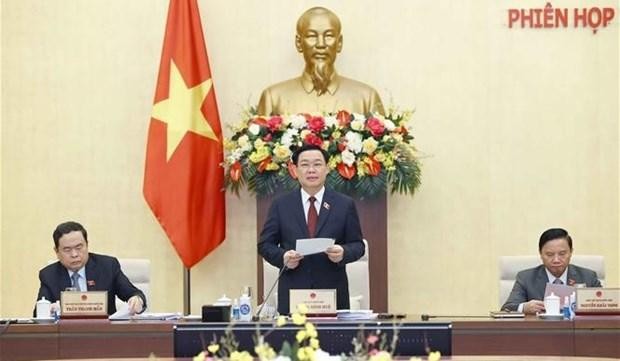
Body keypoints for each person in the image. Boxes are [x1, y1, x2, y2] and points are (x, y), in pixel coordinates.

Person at [258, 144, 365, 314]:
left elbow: (358, 246)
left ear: (327, 169)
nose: (311, 170)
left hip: (332, 295)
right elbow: (264, 245)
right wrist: (283, 257)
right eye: (305, 165)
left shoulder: (344, 204)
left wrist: (343, 252)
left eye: (317, 164)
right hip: (293, 294)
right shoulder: (281, 205)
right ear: (295, 170)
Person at [257, 6, 385, 116]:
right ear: (299, 43)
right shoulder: (273, 97)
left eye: (329, 35)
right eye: (311, 36)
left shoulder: (366, 98)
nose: (321, 44)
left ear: (339, 43)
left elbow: (385, 143)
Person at [35, 221, 146, 316]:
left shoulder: (107, 267)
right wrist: (48, 310)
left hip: (104, 335)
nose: (74, 254)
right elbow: (38, 314)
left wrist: (137, 300)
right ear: (57, 252)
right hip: (66, 337)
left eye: (79, 247)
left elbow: (135, 294)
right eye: (67, 250)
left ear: (87, 245)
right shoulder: (49, 275)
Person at [501, 228, 601, 314]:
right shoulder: (526, 278)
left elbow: (604, 306)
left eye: (562, 254)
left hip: (577, 333)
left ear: (571, 252)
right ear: (540, 254)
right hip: (541, 333)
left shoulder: (588, 277)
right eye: (549, 254)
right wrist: (524, 307)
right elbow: (507, 308)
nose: (556, 260)